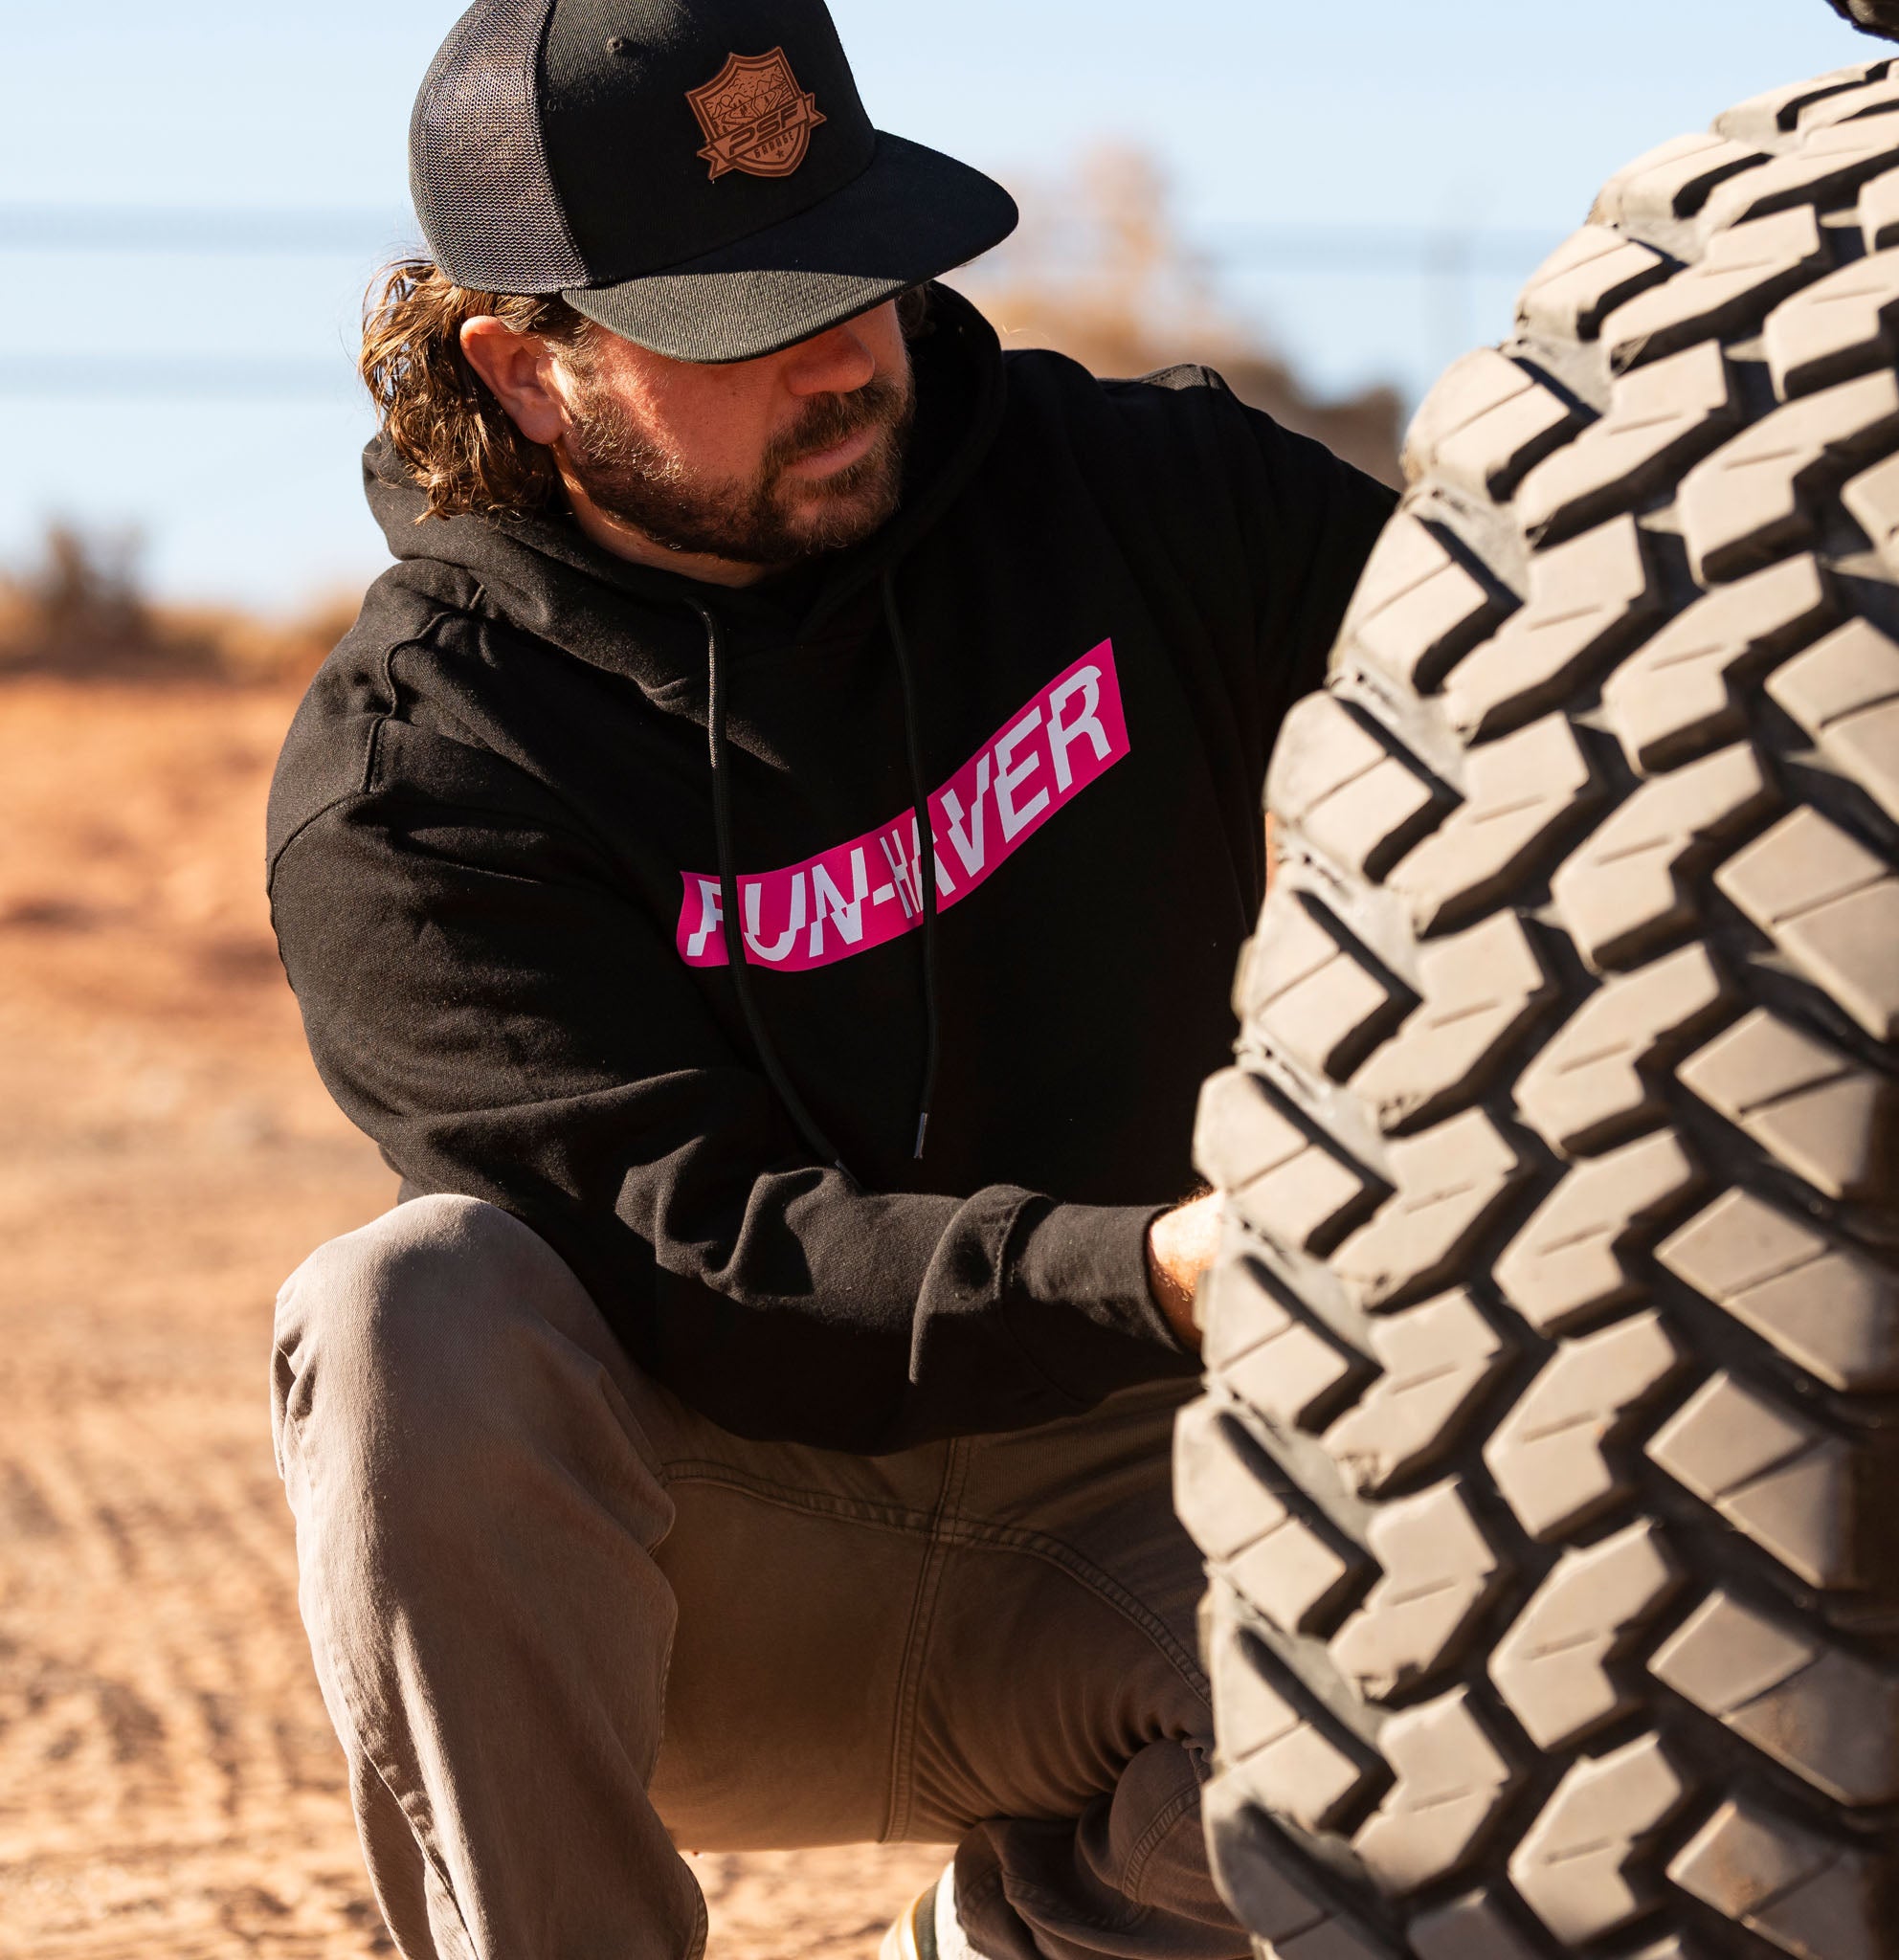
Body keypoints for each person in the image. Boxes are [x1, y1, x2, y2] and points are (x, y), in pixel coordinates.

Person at [265, 2, 1395, 1957]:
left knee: (1482, 1723)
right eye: (740, 326)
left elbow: (1558, 723)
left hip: (1144, 1495)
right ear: (531, 372)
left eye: (855, 272)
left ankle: (1034, 1936)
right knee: (404, 1313)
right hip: (719, 1579)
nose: (843, 358)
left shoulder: (1151, 499)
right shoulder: (422, 771)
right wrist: (1152, 1265)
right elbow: (693, 1253)